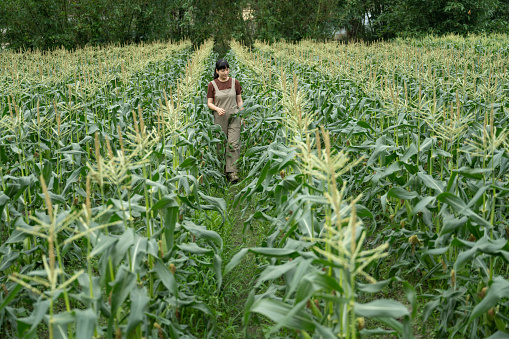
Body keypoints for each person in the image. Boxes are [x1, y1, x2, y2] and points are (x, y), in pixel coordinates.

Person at [207, 59, 244, 183]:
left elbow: (239, 101)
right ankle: (222, 170)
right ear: (217, 71)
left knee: (233, 143)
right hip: (220, 117)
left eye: (227, 69)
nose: (225, 72)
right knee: (221, 144)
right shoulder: (212, 85)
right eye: (222, 70)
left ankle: (232, 173)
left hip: (234, 115)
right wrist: (217, 109)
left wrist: (242, 114)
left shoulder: (235, 82)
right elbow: (209, 103)